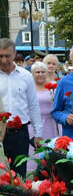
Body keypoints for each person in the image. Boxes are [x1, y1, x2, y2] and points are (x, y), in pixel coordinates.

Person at [0, 38, 42, 178]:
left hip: (20, 134)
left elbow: (33, 105)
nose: (4, 60)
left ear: (14, 54)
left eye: (7, 56)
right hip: (0, 134)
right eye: (0, 56)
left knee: (20, 176)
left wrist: (38, 134)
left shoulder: (26, 76)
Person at [27, 62, 62, 172]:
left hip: (51, 124)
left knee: (51, 151)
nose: (40, 74)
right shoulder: (28, 87)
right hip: (33, 125)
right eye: (37, 72)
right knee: (34, 152)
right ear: (32, 74)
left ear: (47, 73)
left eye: (43, 72)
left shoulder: (54, 87)